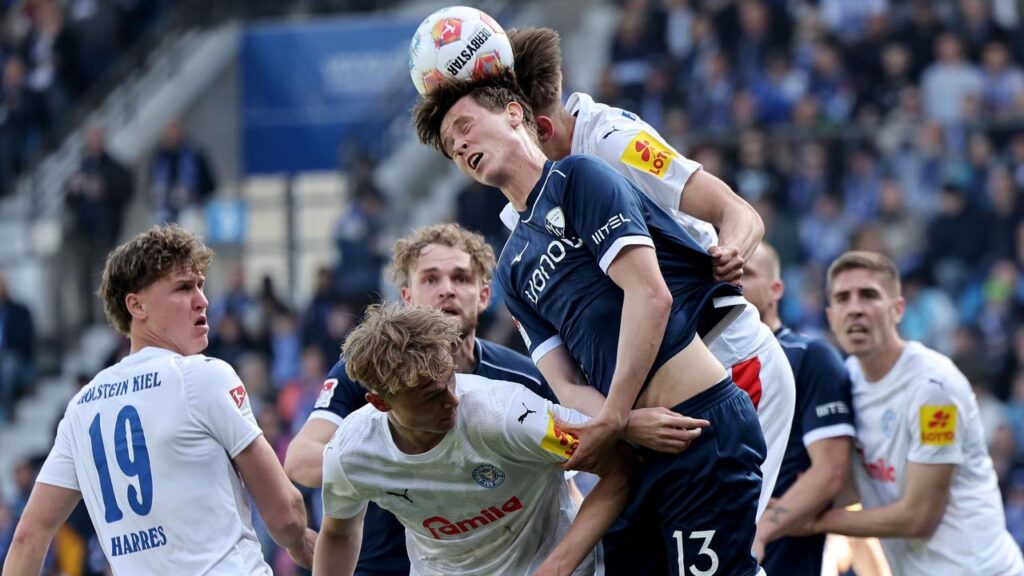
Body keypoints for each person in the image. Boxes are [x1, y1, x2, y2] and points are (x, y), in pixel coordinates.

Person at [413, 74, 765, 574]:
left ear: (515, 112)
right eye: (451, 145)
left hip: (698, 428)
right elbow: (565, 382)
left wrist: (614, 418)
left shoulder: (580, 177)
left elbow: (650, 295)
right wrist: (625, 422)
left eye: (466, 126)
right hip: (636, 451)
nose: (462, 144)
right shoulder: (512, 265)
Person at [508, 26, 796, 520]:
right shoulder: (520, 217)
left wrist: (732, 248)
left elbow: (735, 209)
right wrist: (620, 418)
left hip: (730, 359)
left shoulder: (613, 141)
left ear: (537, 128)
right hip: (645, 404)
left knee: (725, 549)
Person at [2, 224, 315, 575]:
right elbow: (285, 514)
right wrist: (300, 541)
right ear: (136, 305)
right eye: (183, 288)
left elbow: (28, 538)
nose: (203, 300)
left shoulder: (81, 408)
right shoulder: (201, 376)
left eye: (200, 285)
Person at [285, 223, 563, 575]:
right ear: (407, 297)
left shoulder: (521, 380)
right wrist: (404, 468)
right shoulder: (370, 372)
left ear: (484, 295)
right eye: (430, 279)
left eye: (461, 278)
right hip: (383, 563)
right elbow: (299, 460)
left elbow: (569, 468)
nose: (447, 291)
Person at [314, 303, 631, 575]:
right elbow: (338, 534)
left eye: (451, 378)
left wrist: (557, 567)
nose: (453, 400)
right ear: (381, 403)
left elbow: (619, 469)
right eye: (431, 398)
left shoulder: (509, 415)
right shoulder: (350, 453)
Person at [811, 250, 1024, 574]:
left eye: (868, 295)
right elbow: (847, 488)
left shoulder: (935, 387)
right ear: (830, 317)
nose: (855, 308)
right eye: (843, 298)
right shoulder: (844, 382)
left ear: (898, 310)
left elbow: (919, 517)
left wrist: (814, 522)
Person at [741, 242, 855, 574]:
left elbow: (830, 470)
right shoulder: (704, 364)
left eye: (747, 274)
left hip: (782, 556)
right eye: (724, 274)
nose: (733, 282)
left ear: (776, 289)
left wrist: (760, 533)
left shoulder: (810, 356)